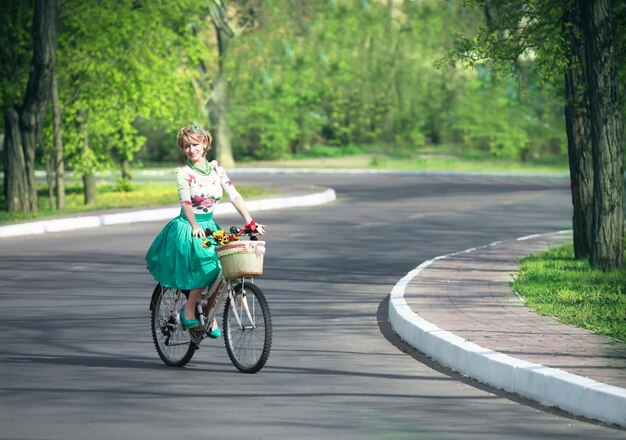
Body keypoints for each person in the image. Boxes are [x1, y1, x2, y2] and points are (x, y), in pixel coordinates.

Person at [146, 124, 266, 337]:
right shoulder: (184, 173)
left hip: (210, 226)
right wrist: (195, 226)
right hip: (188, 227)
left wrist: (250, 221)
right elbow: (186, 203)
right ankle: (189, 310)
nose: (191, 150)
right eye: (186, 146)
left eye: (194, 145)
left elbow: (234, 194)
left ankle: (209, 314)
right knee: (205, 266)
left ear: (205, 144)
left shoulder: (217, 168)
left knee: (223, 268)